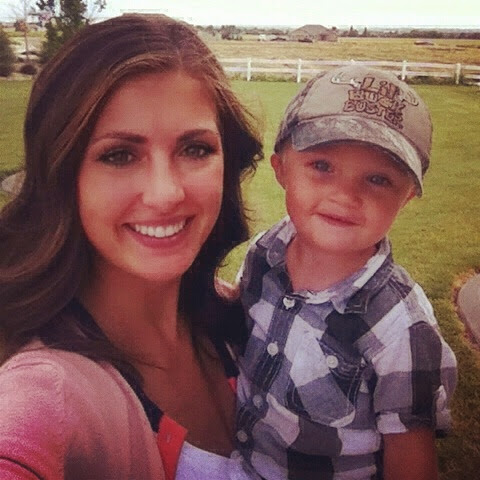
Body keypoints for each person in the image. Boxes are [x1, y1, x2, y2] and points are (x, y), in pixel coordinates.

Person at [0, 14, 263, 480]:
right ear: (63, 176)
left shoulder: (251, 319)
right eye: (119, 155)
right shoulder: (45, 389)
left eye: (196, 149)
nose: (166, 193)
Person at [235, 65, 457, 480]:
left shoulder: (402, 330)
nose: (346, 194)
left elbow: (410, 464)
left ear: (407, 196)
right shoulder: (265, 252)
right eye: (322, 165)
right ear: (281, 169)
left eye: (378, 178)